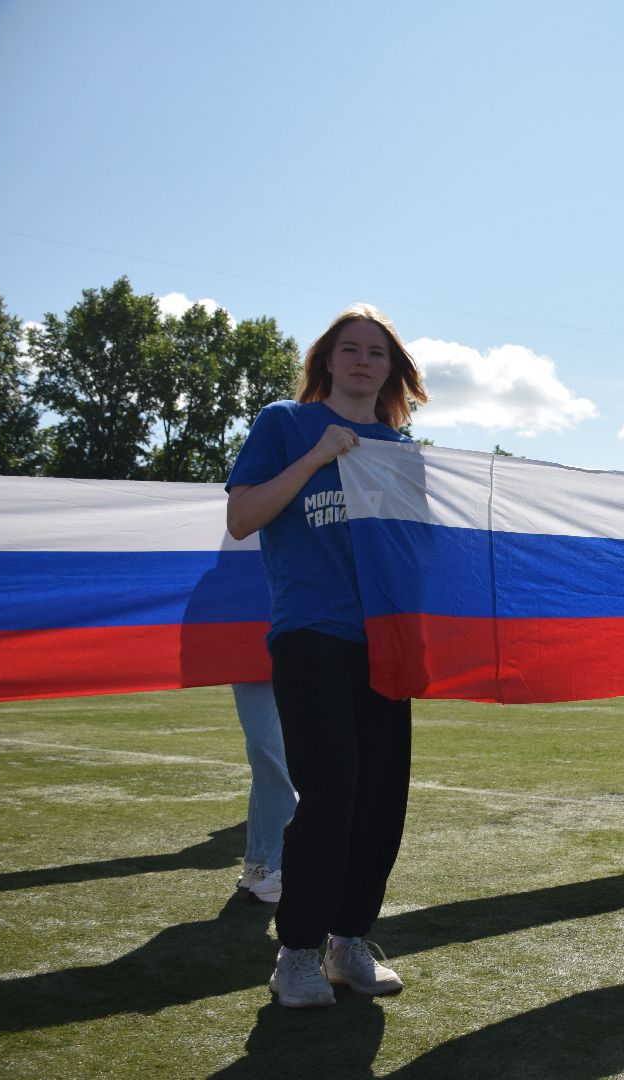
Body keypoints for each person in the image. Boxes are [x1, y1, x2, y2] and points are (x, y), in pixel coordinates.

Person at [226, 303, 427, 1009]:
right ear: (327, 360)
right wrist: (317, 456)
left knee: (381, 799)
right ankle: (298, 953)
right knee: (333, 787)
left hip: (385, 643)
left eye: (377, 351)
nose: (363, 360)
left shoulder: (404, 452)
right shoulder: (285, 422)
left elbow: (419, 554)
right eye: (350, 348)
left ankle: (348, 941)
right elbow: (242, 517)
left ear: (391, 369)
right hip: (310, 633)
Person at [231, 681, 296, 903]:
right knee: (264, 746)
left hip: (297, 650)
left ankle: (260, 862)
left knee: (271, 752)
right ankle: (286, 865)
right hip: (247, 654)